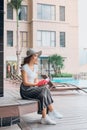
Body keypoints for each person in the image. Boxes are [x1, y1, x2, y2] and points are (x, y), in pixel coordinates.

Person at [20, 48, 63, 125]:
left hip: (33, 88)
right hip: (25, 90)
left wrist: (40, 83)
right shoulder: (24, 67)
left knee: (44, 90)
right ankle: (51, 112)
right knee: (43, 90)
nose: (37, 57)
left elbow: (35, 79)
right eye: (36, 56)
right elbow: (25, 83)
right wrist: (37, 84)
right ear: (31, 57)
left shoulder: (35, 67)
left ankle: (44, 117)